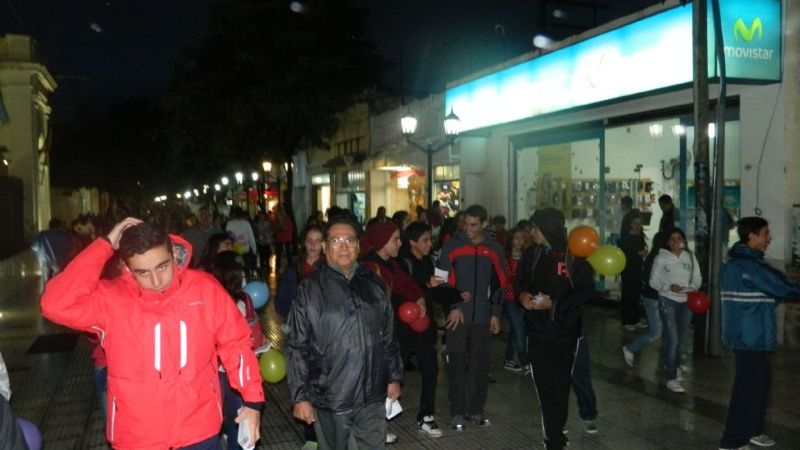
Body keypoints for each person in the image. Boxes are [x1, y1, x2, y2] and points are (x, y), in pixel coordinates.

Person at [41, 218, 264, 449]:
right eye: (143, 272)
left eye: (162, 266)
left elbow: (235, 342)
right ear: (127, 268)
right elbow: (54, 303)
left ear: (174, 255)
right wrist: (105, 244)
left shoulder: (204, 289)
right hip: (136, 436)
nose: (156, 281)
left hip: (200, 429)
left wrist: (253, 401)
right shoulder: (111, 299)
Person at [286, 217, 403, 450]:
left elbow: (388, 336)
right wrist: (300, 396)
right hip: (332, 399)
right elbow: (297, 346)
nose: (343, 246)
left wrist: (393, 377)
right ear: (325, 247)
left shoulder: (373, 284)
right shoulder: (310, 289)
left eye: (349, 240)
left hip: (372, 395)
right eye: (336, 240)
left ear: (358, 246)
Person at [515, 208, 595, 450]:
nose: (532, 232)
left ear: (549, 228)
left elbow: (585, 292)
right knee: (545, 385)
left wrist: (555, 304)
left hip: (566, 332)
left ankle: (557, 428)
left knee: (561, 384)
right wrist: (523, 296)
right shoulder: (532, 254)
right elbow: (520, 282)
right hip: (537, 331)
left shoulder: (575, 256)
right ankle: (554, 438)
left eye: (536, 228)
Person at [719, 217, 800, 450]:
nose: (769, 238)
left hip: (748, 335)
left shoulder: (734, 264)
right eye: (765, 234)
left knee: (759, 385)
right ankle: (732, 441)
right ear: (751, 236)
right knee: (748, 389)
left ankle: (751, 430)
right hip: (750, 337)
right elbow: (784, 288)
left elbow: (768, 295)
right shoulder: (749, 267)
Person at [437, 204, 507, 431]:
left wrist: (496, 313)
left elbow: (500, 284)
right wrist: (454, 306)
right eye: (465, 224)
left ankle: (477, 410)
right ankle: (457, 411)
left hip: (482, 317)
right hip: (457, 317)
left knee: (480, 365)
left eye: (474, 225)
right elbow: (441, 282)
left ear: (484, 224)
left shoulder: (494, 249)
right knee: (456, 364)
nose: (469, 228)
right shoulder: (451, 247)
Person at [210, 251, 268, 450]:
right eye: (240, 272)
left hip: (233, 371)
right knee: (232, 417)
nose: (244, 276)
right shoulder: (222, 302)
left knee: (234, 417)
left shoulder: (238, 300)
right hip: (228, 372)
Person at [649, 227, 701, 393]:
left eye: (679, 238)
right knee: (672, 338)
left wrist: (690, 287)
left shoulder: (690, 257)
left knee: (680, 338)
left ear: (684, 241)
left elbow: (697, 278)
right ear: (667, 242)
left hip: (686, 301)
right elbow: (653, 281)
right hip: (667, 300)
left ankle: (675, 365)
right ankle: (671, 378)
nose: (676, 241)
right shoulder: (660, 258)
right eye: (672, 238)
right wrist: (669, 287)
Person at [622, 231, 670, 367]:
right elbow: (651, 281)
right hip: (654, 298)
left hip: (661, 298)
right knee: (656, 331)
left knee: (667, 330)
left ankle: (671, 362)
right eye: (672, 239)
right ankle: (631, 348)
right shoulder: (656, 258)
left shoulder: (661, 257)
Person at [275, 225, 324, 318]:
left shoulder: (328, 271)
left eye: (317, 241)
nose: (313, 245)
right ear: (304, 243)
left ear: (324, 244)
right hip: (298, 325)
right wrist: (299, 314)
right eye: (309, 240)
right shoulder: (293, 271)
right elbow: (280, 304)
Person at [502, 227, 528, 374]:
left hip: (522, 297)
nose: (520, 241)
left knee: (515, 329)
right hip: (511, 298)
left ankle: (509, 359)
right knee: (519, 330)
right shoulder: (506, 258)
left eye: (522, 238)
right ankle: (525, 362)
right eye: (516, 238)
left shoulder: (526, 256)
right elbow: (506, 280)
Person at [618, 211, 648, 330]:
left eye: (640, 223)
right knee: (628, 293)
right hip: (628, 268)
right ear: (630, 224)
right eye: (635, 223)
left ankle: (635, 319)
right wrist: (638, 253)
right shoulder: (626, 237)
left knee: (635, 293)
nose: (638, 226)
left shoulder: (639, 235)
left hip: (637, 267)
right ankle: (627, 320)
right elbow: (625, 253)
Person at [226, 207, 259, 277]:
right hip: (245, 250)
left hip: (234, 249)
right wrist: (254, 250)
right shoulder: (246, 223)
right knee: (245, 268)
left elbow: (227, 237)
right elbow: (251, 237)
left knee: (235, 268)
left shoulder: (229, 224)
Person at [255, 211, 275, 276]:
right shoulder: (257, 224)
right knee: (261, 255)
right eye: (260, 216)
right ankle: (263, 267)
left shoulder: (268, 223)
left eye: (262, 216)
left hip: (267, 241)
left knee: (267, 255)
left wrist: (269, 236)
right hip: (261, 242)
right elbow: (257, 233)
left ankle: (267, 266)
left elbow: (271, 231)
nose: (261, 217)